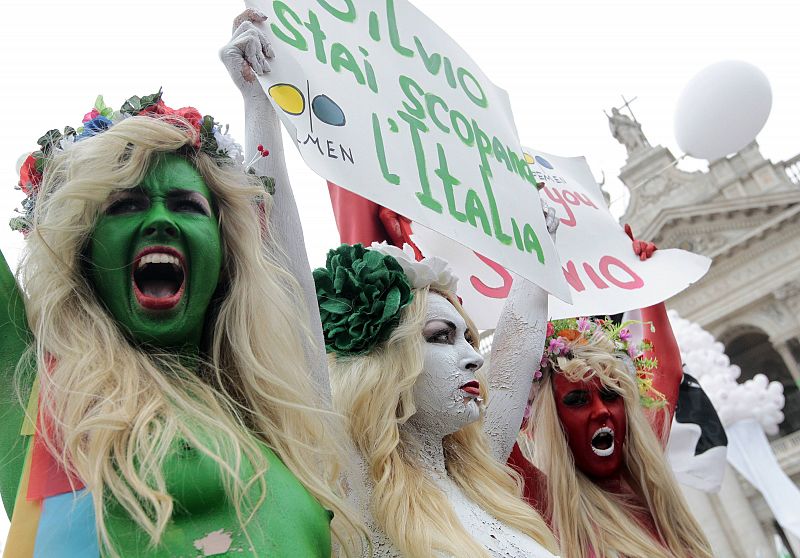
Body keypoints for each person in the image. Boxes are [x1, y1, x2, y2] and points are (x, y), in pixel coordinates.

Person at [0, 91, 357, 556]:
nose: (160, 219)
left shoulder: (274, 419)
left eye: (187, 205)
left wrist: (259, 102)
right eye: (125, 205)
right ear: (83, 253)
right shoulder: (47, 389)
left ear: (226, 252)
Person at [508, 305, 714, 557]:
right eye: (578, 400)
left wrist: (648, 288)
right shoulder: (549, 501)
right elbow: (492, 433)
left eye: (610, 395)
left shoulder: (646, 456)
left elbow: (666, 370)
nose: (601, 411)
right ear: (549, 422)